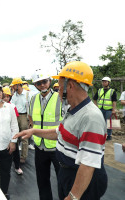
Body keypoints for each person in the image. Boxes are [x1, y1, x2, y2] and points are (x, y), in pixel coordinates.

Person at [14, 61, 108, 200]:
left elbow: (88, 164)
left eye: (60, 85)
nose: (58, 90)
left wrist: (73, 196)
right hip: (68, 174)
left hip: (82, 181)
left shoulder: (91, 117)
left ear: (69, 86)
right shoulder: (73, 110)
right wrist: (34, 131)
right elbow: (59, 132)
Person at [28, 69, 62, 200]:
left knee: (62, 181)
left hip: (57, 147)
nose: (42, 85)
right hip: (40, 147)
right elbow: (31, 117)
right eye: (38, 83)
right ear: (35, 85)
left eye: (44, 81)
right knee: (42, 182)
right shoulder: (33, 99)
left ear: (50, 81)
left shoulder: (59, 98)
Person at [3, 86, 23, 175]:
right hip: (2, 133)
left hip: (12, 132)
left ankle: (17, 167)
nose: (6, 98)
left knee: (15, 152)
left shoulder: (12, 106)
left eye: (8, 96)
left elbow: (16, 120)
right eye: (4, 96)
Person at [10, 77, 30, 163]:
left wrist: (29, 120)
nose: (13, 88)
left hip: (24, 116)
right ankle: (15, 155)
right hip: (15, 116)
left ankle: (23, 156)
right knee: (15, 136)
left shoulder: (27, 94)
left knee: (24, 137)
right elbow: (12, 106)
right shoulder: (14, 95)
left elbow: (29, 107)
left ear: (18, 85)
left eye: (14, 86)